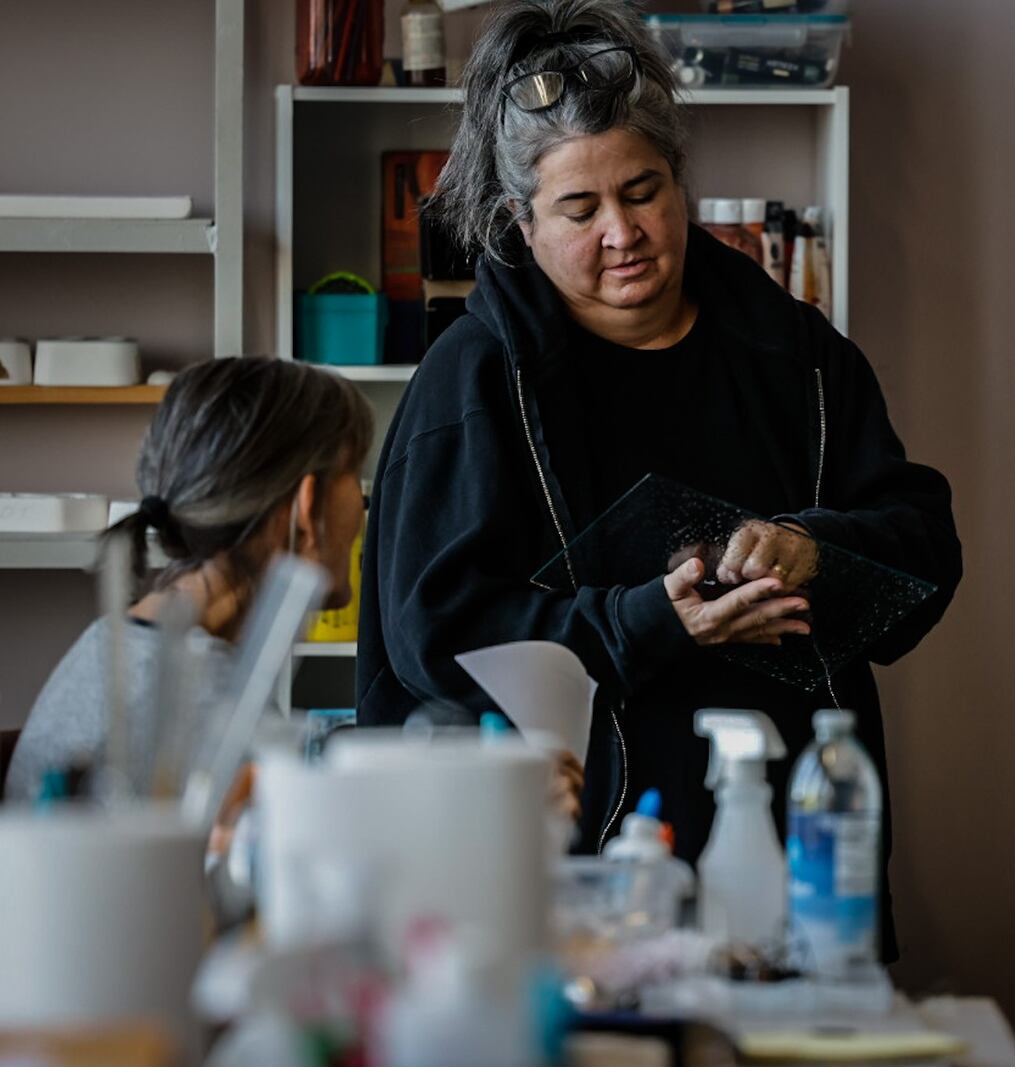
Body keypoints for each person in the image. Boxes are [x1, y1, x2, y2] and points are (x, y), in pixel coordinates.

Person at [355, 0, 961, 958]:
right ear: (521, 217)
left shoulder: (797, 357)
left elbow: (925, 553)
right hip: (577, 885)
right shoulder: (473, 383)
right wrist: (650, 621)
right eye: (579, 208)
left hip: (805, 873)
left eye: (642, 191)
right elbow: (434, 637)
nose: (622, 232)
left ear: (679, 179)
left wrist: (816, 550)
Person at [6, 358, 373, 803]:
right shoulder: (211, 717)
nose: (363, 503)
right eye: (355, 477)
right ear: (307, 507)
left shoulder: (113, 642)